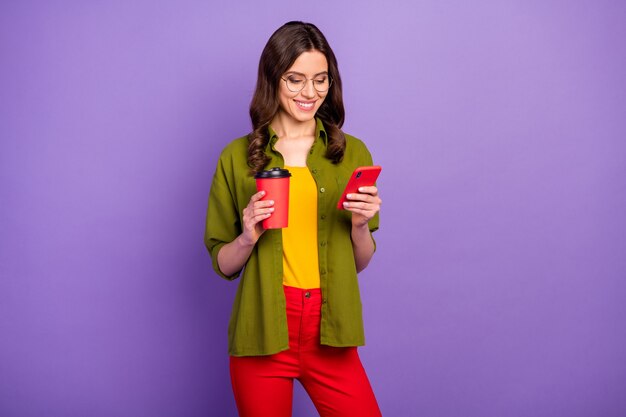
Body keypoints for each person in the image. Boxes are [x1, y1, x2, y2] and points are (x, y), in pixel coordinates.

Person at [205, 21, 382, 417]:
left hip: (330, 327)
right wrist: (247, 236)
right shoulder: (236, 157)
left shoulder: (351, 152)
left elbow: (360, 261)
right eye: (295, 80)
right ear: (273, 79)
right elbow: (221, 262)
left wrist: (358, 225)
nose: (310, 93)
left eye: (321, 80)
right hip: (263, 326)